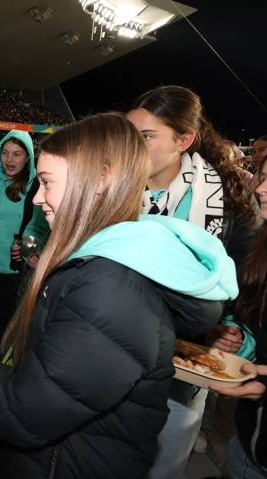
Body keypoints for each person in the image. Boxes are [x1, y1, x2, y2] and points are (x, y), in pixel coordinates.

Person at [0, 113, 237, 479]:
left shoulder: (109, 290)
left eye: (47, 182)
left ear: (100, 179)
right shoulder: (101, 268)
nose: (37, 198)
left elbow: (23, 413)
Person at [127, 85, 258, 478]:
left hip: (187, 356)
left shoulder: (229, 200)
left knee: (166, 461)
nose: (133, 147)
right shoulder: (112, 188)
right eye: (130, 135)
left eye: (147, 137)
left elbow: (244, 280)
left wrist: (230, 326)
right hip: (122, 347)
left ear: (183, 139)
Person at [210, 155, 267, 478]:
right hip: (247, 443)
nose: (261, 188)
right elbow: (250, 320)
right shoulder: (258, 248)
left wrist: (263, 379)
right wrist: (237, 338)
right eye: (262, 176)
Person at [0, 130, 50, 362]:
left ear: (27, 158)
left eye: (17, 154)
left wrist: (28, 246)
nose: (10, 160)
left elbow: (40, 229)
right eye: (5, 153)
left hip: (15, 273)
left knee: (6, 334)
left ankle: (1, 376)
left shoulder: (36, 187)